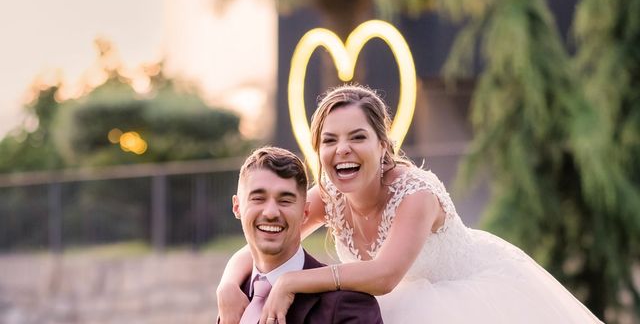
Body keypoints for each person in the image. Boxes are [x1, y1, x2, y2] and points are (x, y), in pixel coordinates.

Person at [218, 85, 604, 324]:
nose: (343, 150)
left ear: (382, 146)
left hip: (468, 302)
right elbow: (274, 235)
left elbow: (385, 275)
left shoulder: (415, 193)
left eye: (357, 137)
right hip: (394, 309)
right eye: (330, 141)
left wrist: (292, 282)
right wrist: (227, 285)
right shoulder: (332, 195)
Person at [223, 145, 383, 324]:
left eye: (285, 200)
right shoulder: (233, 296)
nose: (270, 213)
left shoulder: (347, 306)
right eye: (258, 198)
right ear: (237, 207)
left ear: (305, 213)